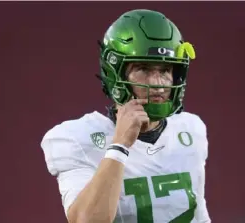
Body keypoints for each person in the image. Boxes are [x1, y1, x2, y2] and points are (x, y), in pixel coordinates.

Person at [40, 9, 211, 223]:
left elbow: (198, 216)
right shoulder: (76, 138)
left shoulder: (190, 130)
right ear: (116, 72)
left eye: (165, 70)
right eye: (144, 69)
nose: (158, 84)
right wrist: (119, 145)